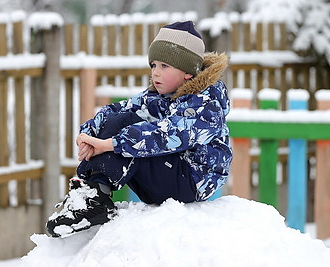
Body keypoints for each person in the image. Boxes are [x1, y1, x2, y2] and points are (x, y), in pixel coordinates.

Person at [46, 21, 232, 238]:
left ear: (188, 72)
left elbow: (168, 135)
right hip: (167, 175)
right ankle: (92, 195)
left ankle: (95, 199)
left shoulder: (206, 104)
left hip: (189, 182)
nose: (156, 73)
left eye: (165, 66)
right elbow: (117, 110)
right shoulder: (158, 97)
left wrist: (110, 144)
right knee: (122, 118)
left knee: (132, 130)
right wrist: (87, 134)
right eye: (153, 65)